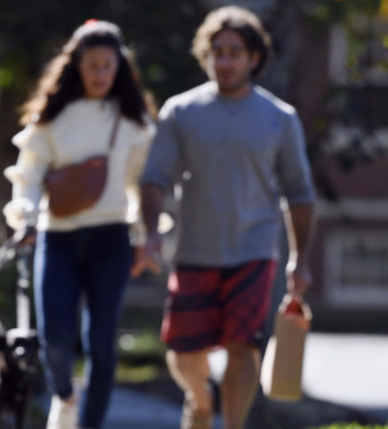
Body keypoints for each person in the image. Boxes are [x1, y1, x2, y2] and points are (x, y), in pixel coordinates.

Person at [138, 6, 316, 429]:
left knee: (244, 347)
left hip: (254, 251)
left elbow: (300, 193)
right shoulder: (180, 112)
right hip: (194, 252)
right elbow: (153, 179)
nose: (224, 61)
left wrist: (300, 259)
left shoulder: (279, 118)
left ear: (254, 58)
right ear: (206, 56)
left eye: (234, 52)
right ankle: (200, 403)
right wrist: (149, 234)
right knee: (183, 354)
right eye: (217, 52)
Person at [2, 20, 156, 429]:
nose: (101, 74)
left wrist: (142, 238)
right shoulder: (52, 118)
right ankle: (64, 398)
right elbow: (29, 175)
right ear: (77, 66)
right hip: (58, 239)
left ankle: (90, 424)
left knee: (101, 344)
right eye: (93, 65)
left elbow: (141, 185)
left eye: (108, 65)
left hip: (112, 238)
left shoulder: (133, 122)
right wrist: (27, 217)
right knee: (54, 338)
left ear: (119, 67)